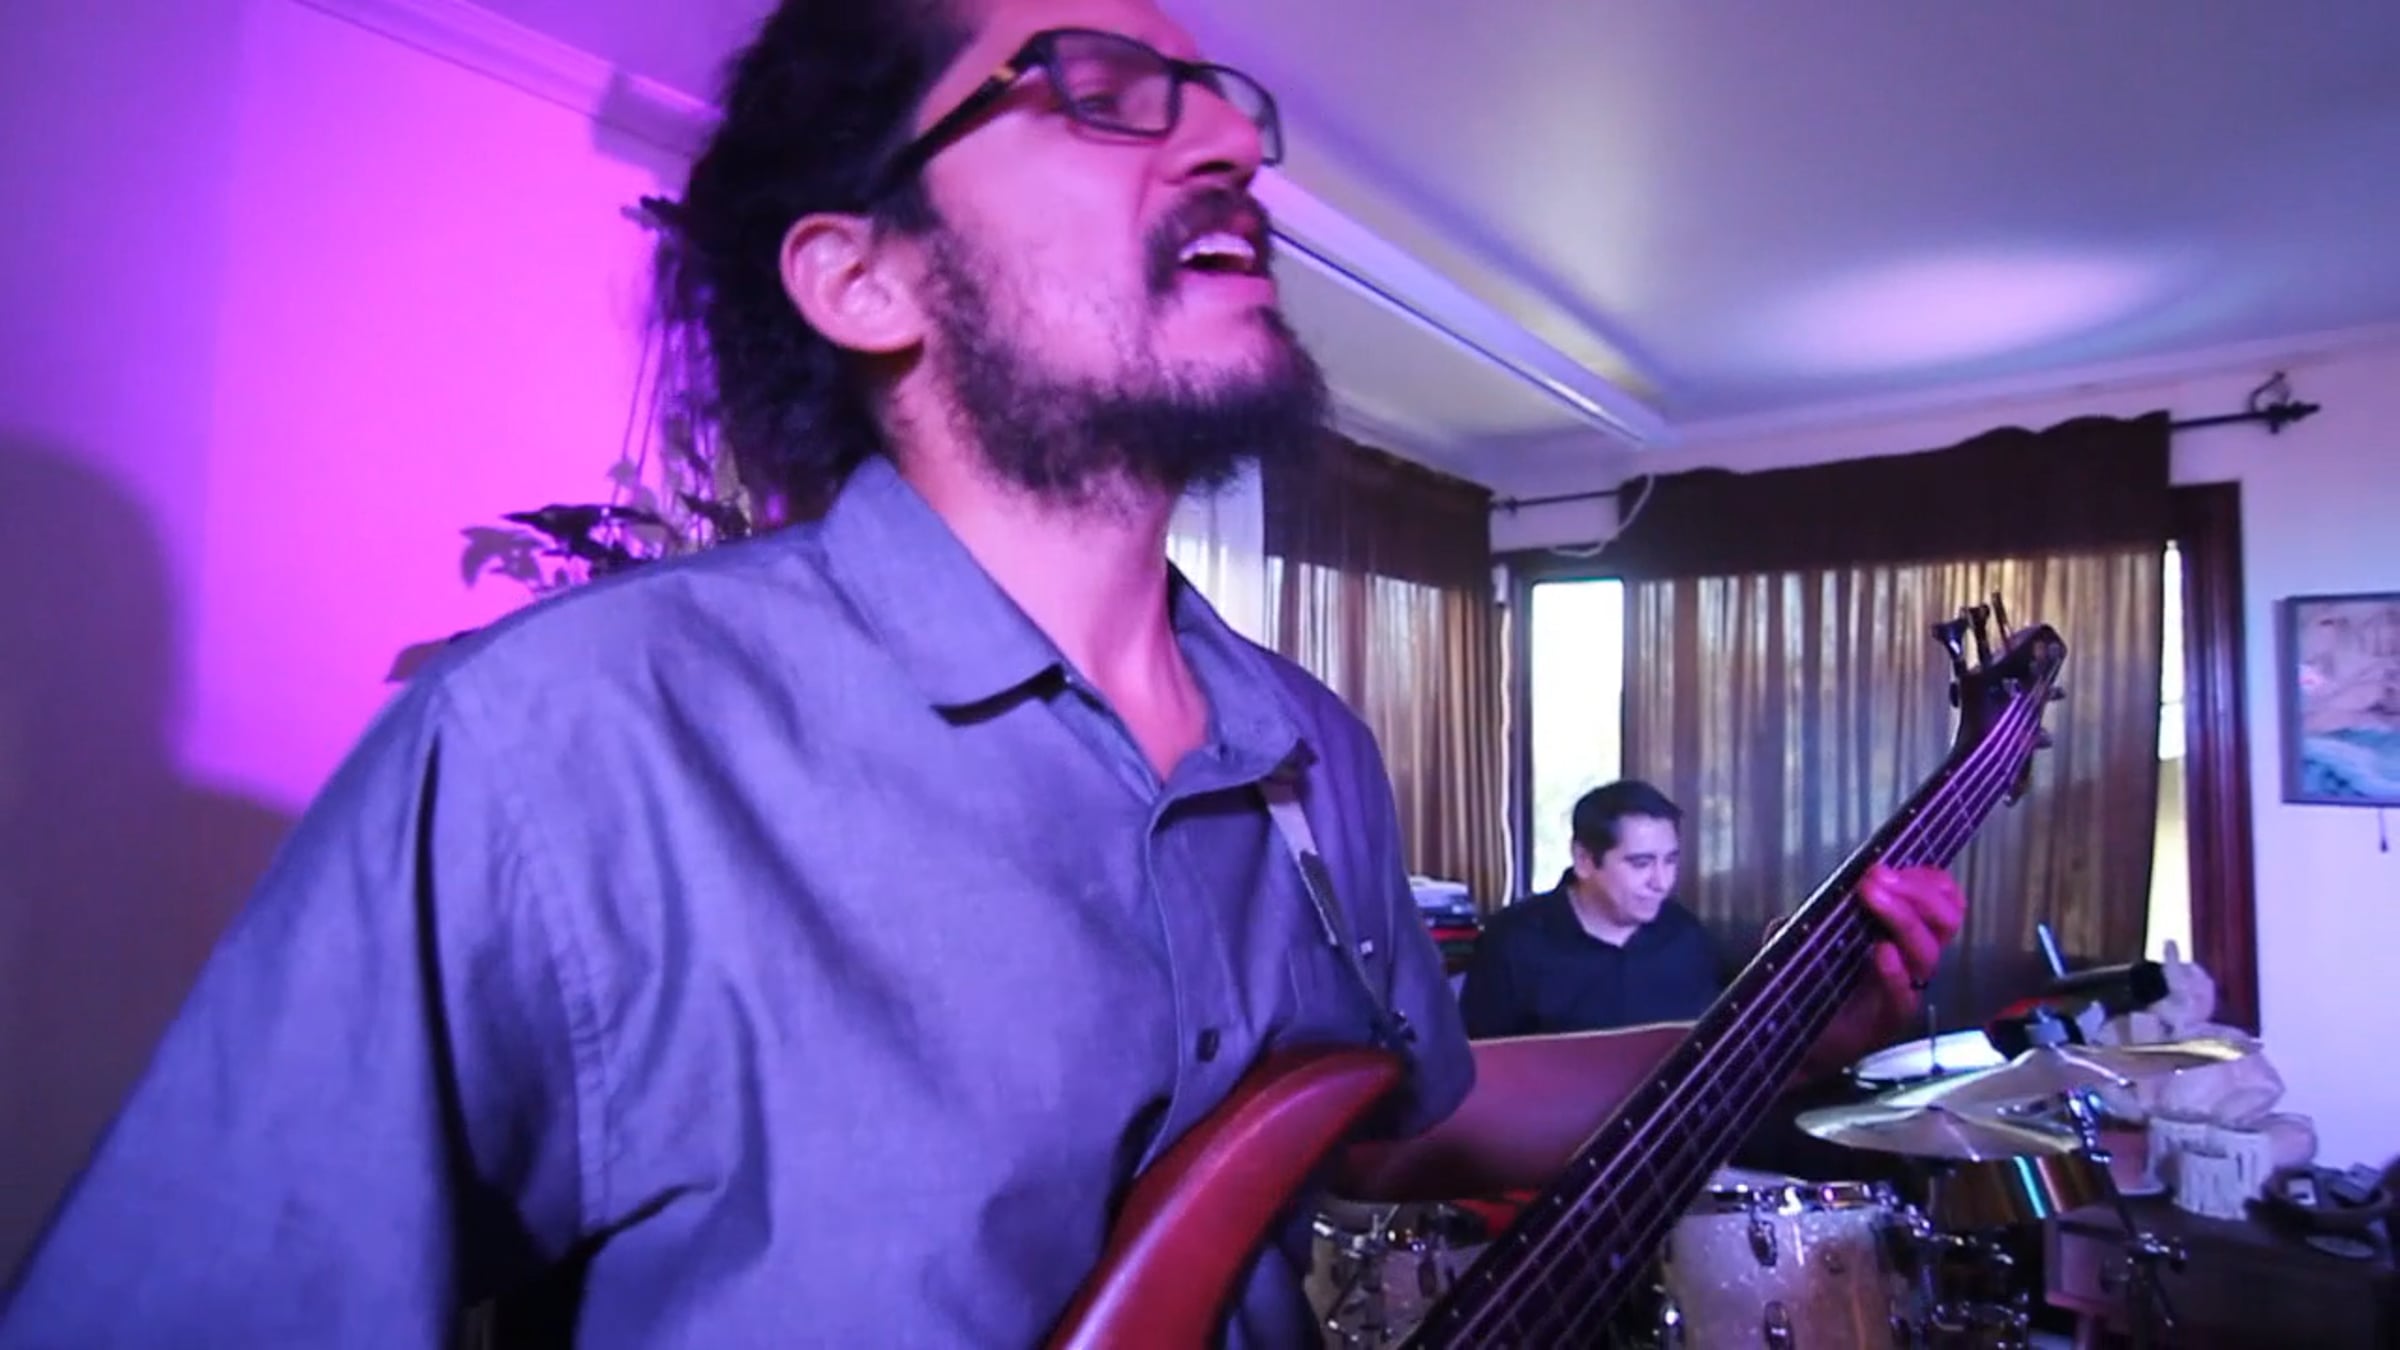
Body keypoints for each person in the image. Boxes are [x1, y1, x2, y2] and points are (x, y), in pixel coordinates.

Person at [0, 1, 1966, 1345]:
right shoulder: (558, 750)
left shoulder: (1317, 756)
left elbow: (1407, 1123)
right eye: (1099, 84)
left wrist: (1787, 1034)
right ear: (863, 276)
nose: (1232, 138)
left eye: (1221, 99)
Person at [1460, 780, 1726, 1038]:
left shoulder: (1687, 937)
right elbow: (1483, 1056)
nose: (1662, 882)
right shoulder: (1513, 942)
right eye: (1641, 863)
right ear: (1584, 861)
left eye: (1670, 861)